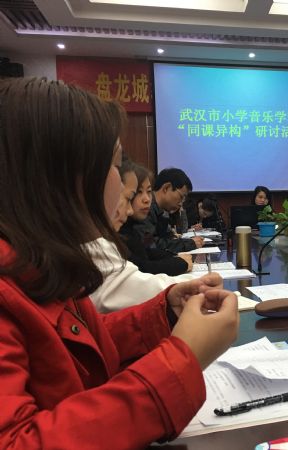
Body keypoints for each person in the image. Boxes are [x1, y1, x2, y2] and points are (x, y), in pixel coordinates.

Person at [0, 77, 239, 448]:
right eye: (114, 164)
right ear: (63, 178)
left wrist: (165, 312)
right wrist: (183, 358)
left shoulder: (38, 262)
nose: (122, 180)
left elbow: (77, 346)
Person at [119, 162, 192, 276]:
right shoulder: (124, 228)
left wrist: (175, 257)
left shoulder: (132, 226)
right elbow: (142, 268)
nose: (147, 199)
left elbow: (148, 250)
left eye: (149, 192)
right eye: (138, 192)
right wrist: (181, 263)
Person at [136, 167, 203, 252]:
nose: (181, 203)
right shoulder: (146, 208)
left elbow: (167, 238)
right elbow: (151, 245)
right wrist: (189, 244)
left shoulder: (161, 211)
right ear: (166, 188)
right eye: (181, 197)